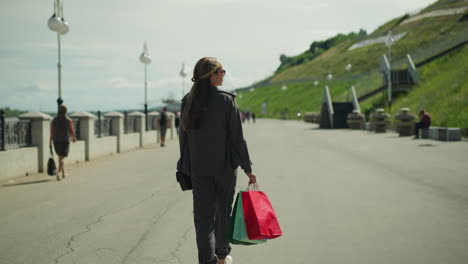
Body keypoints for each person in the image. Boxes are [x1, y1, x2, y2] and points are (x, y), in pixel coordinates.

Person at [178, 57, 256, 264]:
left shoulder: (188, 100)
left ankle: (207, 261)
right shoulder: (227, 101)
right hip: (224, 169)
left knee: (203, 218)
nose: (224, 74)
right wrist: (248, 168)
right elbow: (238, 139)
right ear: (210, 75)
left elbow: (183, 138)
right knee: (223, 213)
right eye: (221, 71)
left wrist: (184, 165)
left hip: (198, 169)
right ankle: (222, 256)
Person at [50, 105, 76, 181]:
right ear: (66, 111)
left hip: (56, 141)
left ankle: (64, 173)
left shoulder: (54, 120)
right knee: (61, 158)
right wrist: (74, 137)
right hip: (65, 141)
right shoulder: (68, 120)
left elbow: (52, 132)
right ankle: (59, 173)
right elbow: (71, 130)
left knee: (60, 157)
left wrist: (49, 142)